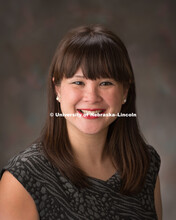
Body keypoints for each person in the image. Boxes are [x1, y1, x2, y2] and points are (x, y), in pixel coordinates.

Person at [0, 25, 162, 220]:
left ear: (125, 91)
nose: (91, 97)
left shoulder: (145, 164)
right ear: (57, 89)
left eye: (105, 83)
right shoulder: (23, 178)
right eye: (78, 82)